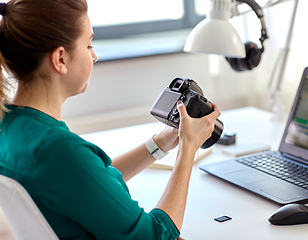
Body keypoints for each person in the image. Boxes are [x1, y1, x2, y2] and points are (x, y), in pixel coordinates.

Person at [0, 1, 221, 239]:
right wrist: (188, 148)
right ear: (60, 59)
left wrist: (162, 142)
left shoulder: (12, 128)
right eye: (88, 44)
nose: (93, 56)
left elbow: (91, 182)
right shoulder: (57, 150)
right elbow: (156, 236)